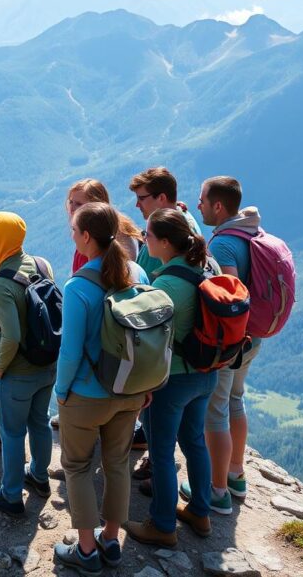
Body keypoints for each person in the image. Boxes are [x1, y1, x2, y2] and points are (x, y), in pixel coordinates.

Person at [52, 202, 151, 574]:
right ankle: (111, 540)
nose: (71, 236)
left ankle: (86, 550)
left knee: (77, 466)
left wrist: (61, 390)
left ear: (86, 237)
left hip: (87, 395)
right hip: (130, 390)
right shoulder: (137, 271)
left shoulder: (78, 286)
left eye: (74, 230)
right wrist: (145, 385)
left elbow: (70, 351)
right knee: (117, 463)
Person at [124, 209, 217, 545]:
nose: (143, 240)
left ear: (164, 242)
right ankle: (200, 512)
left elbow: (146, 336)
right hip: (206, 373)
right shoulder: (207, 267)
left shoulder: (165, 284)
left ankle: (162, 526)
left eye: (147, 235)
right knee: (194, 442)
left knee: (161, 452)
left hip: (172, 380)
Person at [182, 175, 263, 514]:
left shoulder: (224, 244)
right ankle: (235, 475)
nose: (198, 205)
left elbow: (228, 297)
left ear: (218, 206)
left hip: (232, 340)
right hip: (253, 336)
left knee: (214, 412)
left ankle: (217, 491)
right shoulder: (251, 232)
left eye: (202, 200)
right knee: (235, 400)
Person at [0, 212, 57, 517]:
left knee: (12, 433)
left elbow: (11, 336)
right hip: (47, 365)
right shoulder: (42, 264)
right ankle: (39, 476)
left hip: (18, 372)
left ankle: (11, 496)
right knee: (40, 422)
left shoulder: (2, 283)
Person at [129, 166, 202, 277]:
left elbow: (145, 279)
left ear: (161, 198)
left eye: (141, 198)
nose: (137, 204)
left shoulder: (162, 233)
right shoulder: (184, 215)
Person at [66, 179, 143, 272]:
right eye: (71, 202)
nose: (72, 208)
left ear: (96, 206)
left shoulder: (117, 234)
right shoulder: (87, 233)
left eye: (79, 204)